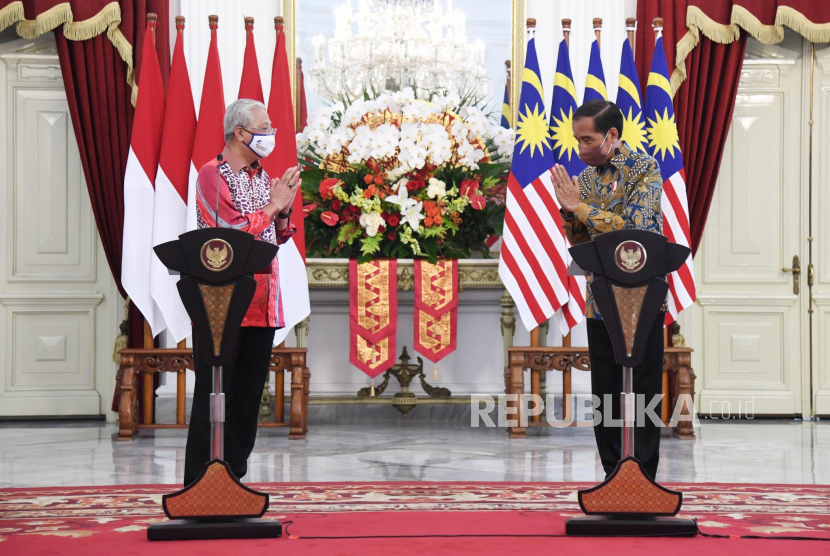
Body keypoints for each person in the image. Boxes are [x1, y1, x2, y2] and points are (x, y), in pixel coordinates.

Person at [184, 98, 301, 487]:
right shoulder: (211, 174)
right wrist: (274, 206)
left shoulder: (260, 177)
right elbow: (230, 235)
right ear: (240, 132)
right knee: (215, 396)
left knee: (249, 398)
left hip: (263, 302)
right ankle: (199, 483)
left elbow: (275, 237)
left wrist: (282, 213)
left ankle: (233, 480)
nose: (271, 135)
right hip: (223, 304)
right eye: (264, 128)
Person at [551, 99, 665, 480]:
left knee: (645, 390)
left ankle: (644, 478)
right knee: (605, 392)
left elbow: (636, 233)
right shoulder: (584, 180)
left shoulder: (643, 169)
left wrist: (579, 209)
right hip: (599, 300)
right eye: (577, 140)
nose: (581, 148)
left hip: (642, 298)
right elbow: (585, 240)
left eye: (588, 140)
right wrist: (570, 214)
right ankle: (613, 476)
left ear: (612, 136)